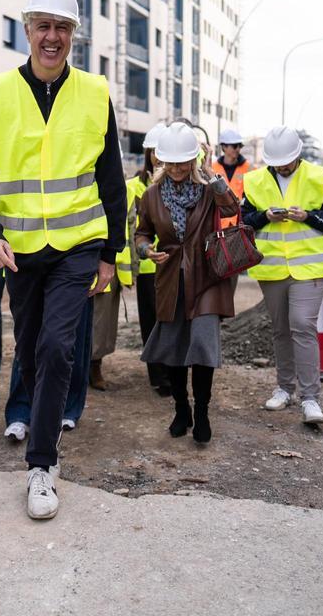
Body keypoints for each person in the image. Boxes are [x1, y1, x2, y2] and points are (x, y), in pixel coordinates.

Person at [0, 0, 127, 520]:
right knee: (34, 349)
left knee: (59, 347)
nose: (52, 37)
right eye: (43, 27)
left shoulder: (95, 92)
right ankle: (37, 424)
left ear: (72, 36)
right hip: (20, 251)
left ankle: (42, 465)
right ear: (28, 31)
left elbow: (111, 178)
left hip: (78, 244)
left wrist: (111, 253)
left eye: (62, 28)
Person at [135, 123, 238, 443]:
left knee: (203, 348)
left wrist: (213, 175)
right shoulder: (151, 195)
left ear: (194, 160)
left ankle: (203, 411)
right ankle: (182, 410)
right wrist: (146, 251)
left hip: (207, 278)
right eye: (172, 162)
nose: (178, 168)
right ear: (162, 162)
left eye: (184, 162)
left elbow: (233, 208)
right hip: (171, 281)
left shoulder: (209, 190)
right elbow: (142, 233)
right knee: (176, 349)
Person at [240, 125, 323, 425]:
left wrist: (308, 216)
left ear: (298, 155)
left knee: (302, 325)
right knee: (280, 329)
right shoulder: (255, 180)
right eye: (277, 163)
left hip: (309, 267)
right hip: (272, 267)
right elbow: (245, 219)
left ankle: (310, 398)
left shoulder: (318, 176)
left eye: (287, 161)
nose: (283, 167)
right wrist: (265, 216)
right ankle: (284, 388)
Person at [4, 296, 94, 439]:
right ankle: (20, 412)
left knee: (70, 338)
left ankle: (67, 407)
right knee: (27, 337)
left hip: (77, 278)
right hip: (29, 275)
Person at [90, 164, 141, 391]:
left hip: (109, 264)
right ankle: (79, 369)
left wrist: (129, 271)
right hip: (82, 260)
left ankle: (94, 366)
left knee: (103, 322)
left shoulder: (124, 191)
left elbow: (128, 233)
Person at [131, 121, 168, 395]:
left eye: (162, 150)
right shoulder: (134, 186)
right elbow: (130, 229)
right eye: (153, 150)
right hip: (146, 266)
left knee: (172, 320)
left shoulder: (178, 184)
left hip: (173, 265)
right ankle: (157, 375)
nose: (157, 155)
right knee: (151, 321)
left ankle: (174, 370)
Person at [211, 128, 250, 228]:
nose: (238, 149)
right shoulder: (212, 168)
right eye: (234, 146)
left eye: (240, 146)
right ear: (224, 147)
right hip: (219, 223)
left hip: (240, 222)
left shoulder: (249, 168)